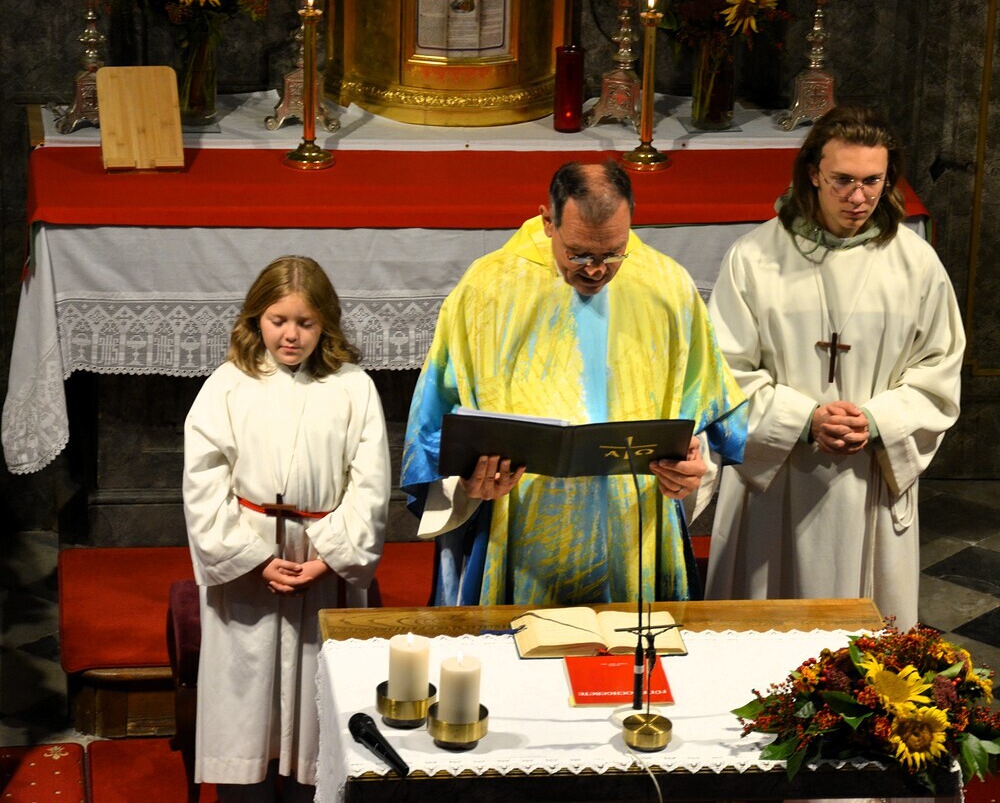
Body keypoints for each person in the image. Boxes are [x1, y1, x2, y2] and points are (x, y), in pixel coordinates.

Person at [401, 159, 747, 607]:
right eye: (580, 254)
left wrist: (692, 469)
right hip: (521, 534)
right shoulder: (487, 290)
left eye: (613, 253)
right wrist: (466, 485)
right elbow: (436, 425)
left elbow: (706, 410)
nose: (597, 270)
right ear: (548, 221)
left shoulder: (668, 286)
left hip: (634, 535)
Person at [704, 105, 965, 630]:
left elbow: (939, 369)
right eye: (842, 180)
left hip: (869, 474)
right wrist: (804, 420)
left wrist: (876, 421)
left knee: (865, 655)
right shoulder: (755, 258)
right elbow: (723, 372)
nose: (858, 197)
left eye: (872, 181)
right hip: (777, 478)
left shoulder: (915, 263)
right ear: (812, 174)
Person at [182, 255, 390, 802]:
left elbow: (370, 484)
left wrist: (330, 558)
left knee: (318, 710)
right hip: (250, 563)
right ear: (256, 318)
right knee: (246, 700)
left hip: (321, 559)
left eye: (305, 322)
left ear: (326, 324)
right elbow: (203, 479)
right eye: (278, 321)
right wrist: (251, 559)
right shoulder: (228, 384)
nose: (291, 335)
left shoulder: (353, 387)